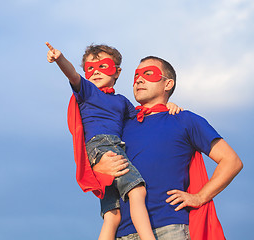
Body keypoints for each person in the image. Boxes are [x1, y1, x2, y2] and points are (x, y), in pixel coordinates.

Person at [93, 56, 243, 240]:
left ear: (168, 84)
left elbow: (232, 161)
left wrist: (199, 197)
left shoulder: (184, 120)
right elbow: (94, 150)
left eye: (149, 74)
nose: (139, 79)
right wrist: (98, 167)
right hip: (122, 232)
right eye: (136, 75)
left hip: (169, 229)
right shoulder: (120, 123)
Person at [46, 42, 180, 240]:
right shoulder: (88, 93)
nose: (96, 72)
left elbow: (143, 117)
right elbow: (72, 75)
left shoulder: (122, 102)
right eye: (90, 68)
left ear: (117, 72)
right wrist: (60, 58)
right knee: (137, 190)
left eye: (103, 66)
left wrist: (167, 105)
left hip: (111, 147)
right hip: (102, 146)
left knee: (112, 214)